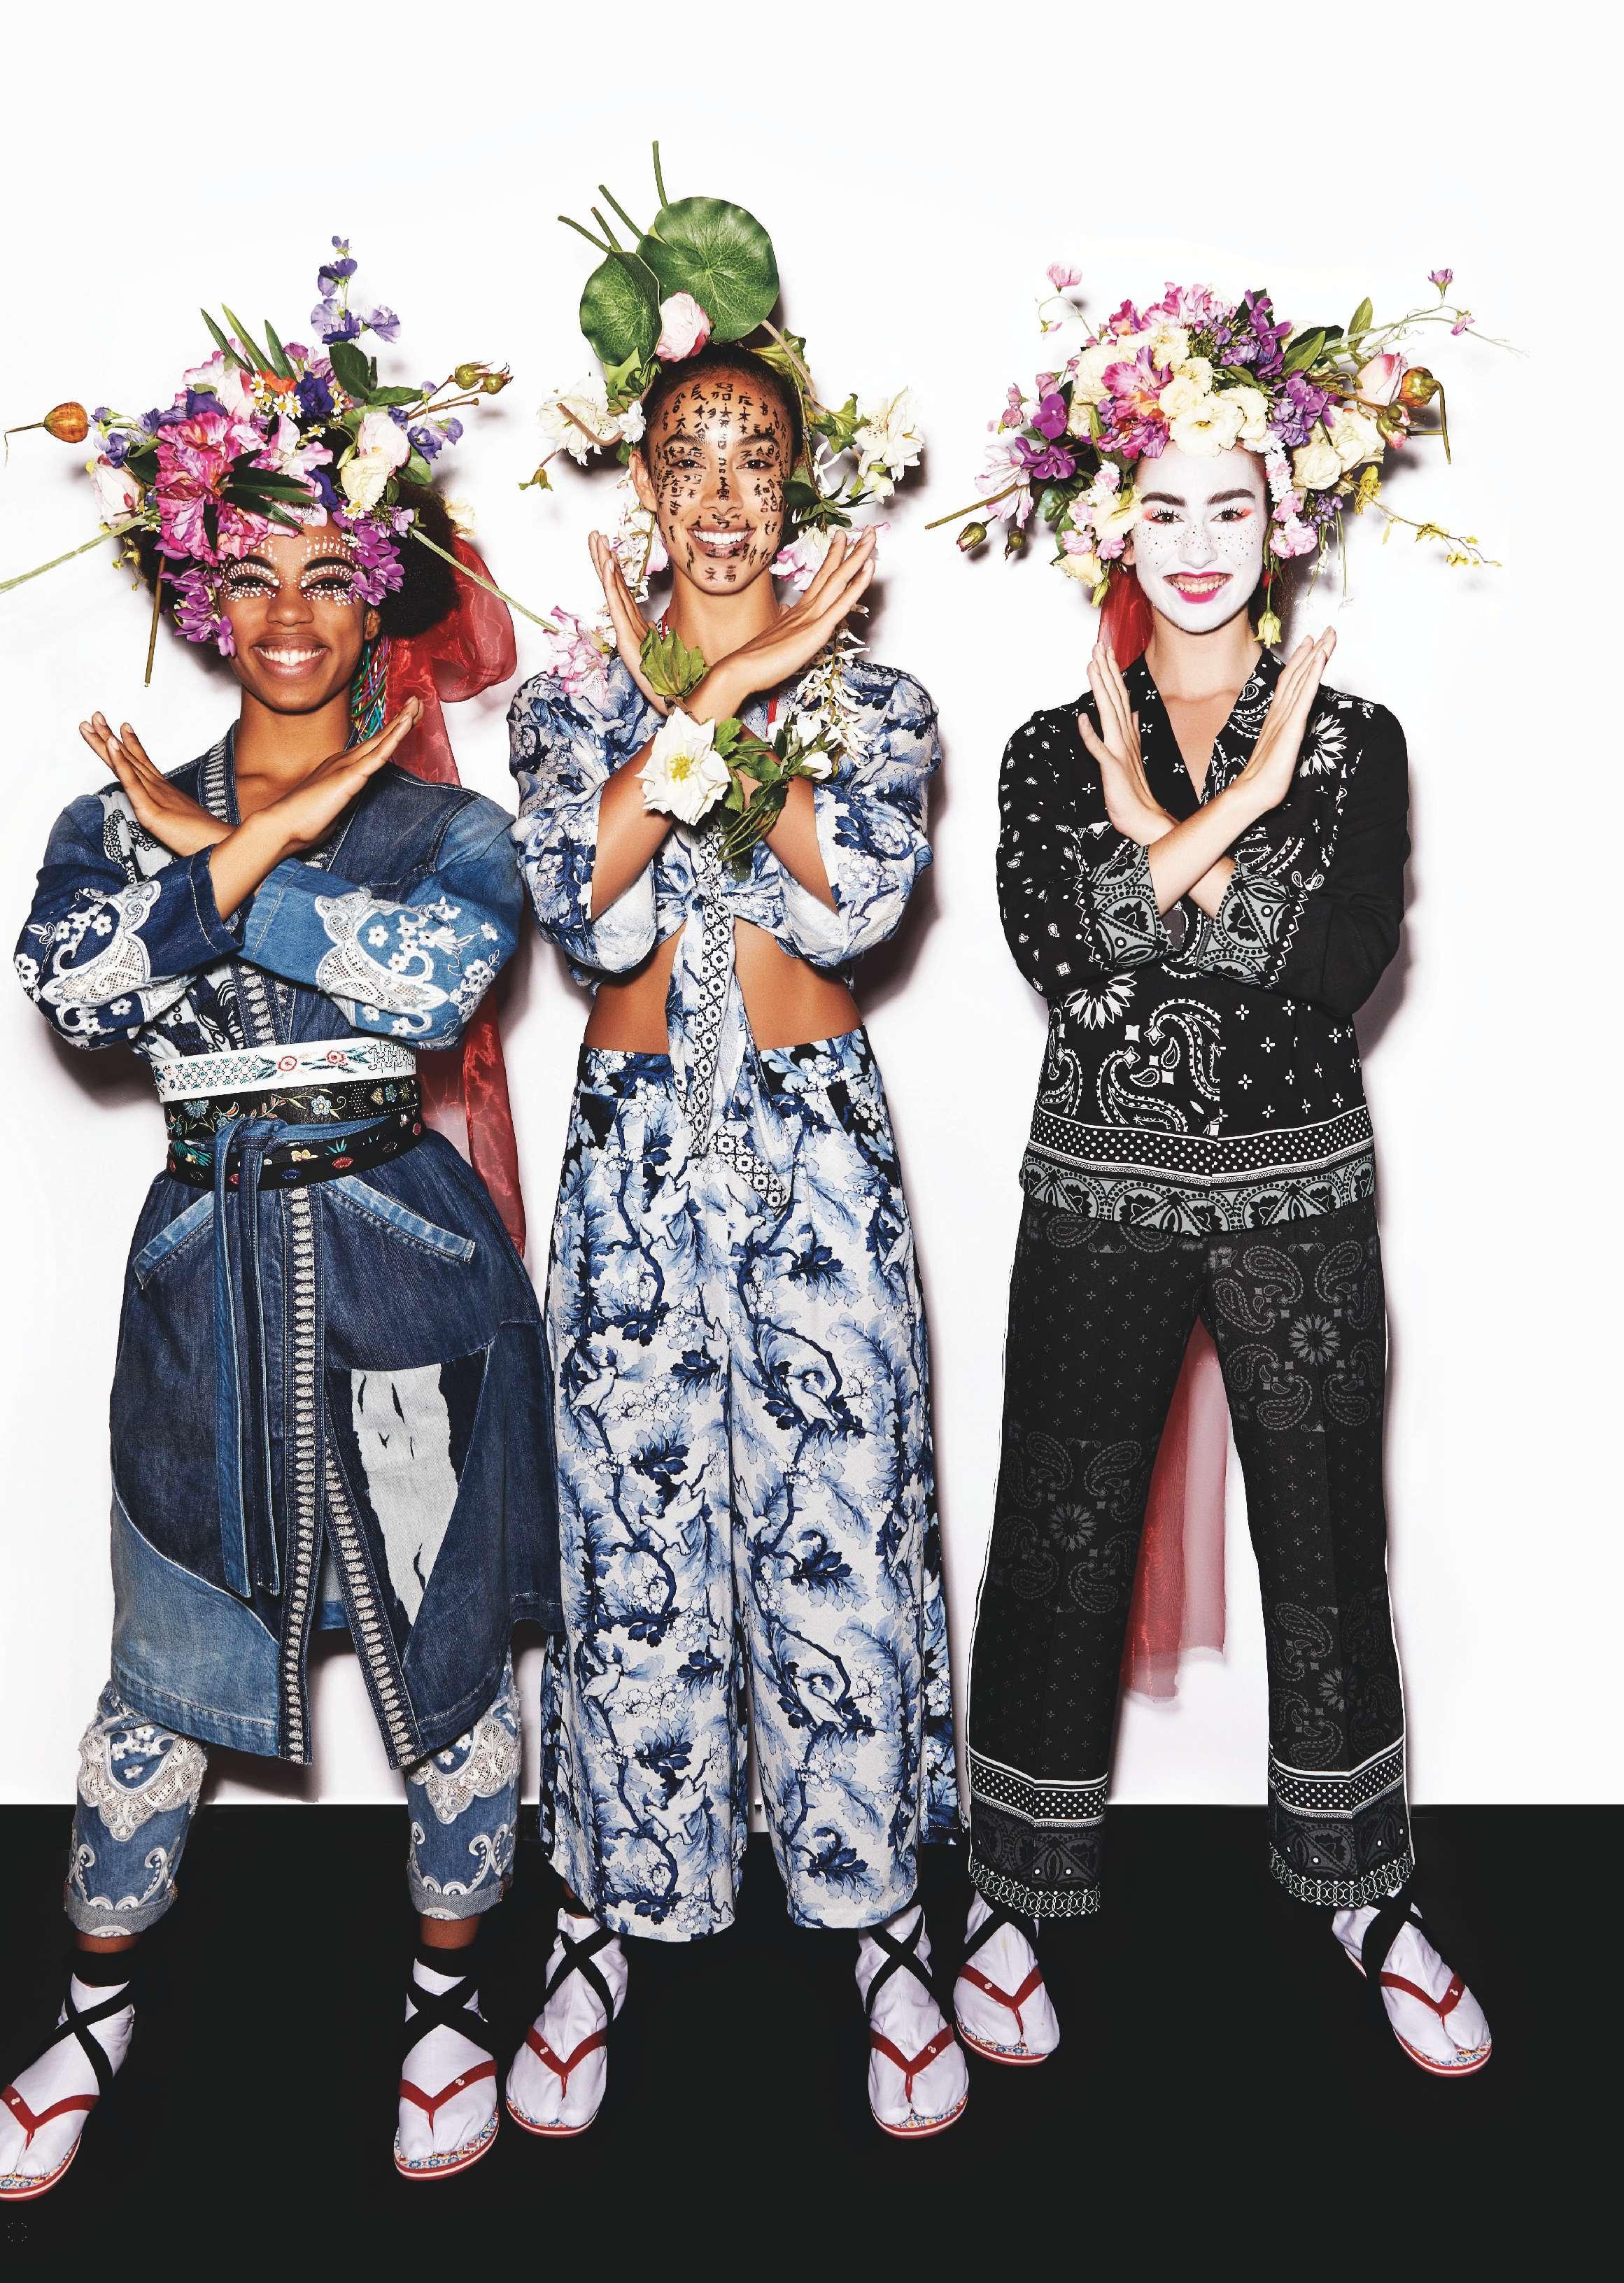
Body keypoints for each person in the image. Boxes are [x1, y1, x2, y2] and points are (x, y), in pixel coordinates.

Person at [0, 250, 560, 2198]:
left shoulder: (456, 830)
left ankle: (447, 1999)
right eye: (254, 575)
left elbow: (428, 985)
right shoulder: (100, 817)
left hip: (411, 1273)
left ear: (380, 593)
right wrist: (257, 846)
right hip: (200, 1279)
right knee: (160, 1674)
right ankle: (90, 2008)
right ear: (200, 596)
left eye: (330, 574)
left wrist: (224, 867)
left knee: (445, 1668)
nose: (291, 612)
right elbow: (76, 992)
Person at [942, 273, 1493, 2078]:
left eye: (1231, 508)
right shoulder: (1048, 751)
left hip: (1297, 1199)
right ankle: (1012, 1891)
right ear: (1116, 520)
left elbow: (1326, 967)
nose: (1195, 546)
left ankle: (1366, 1889)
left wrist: (1173, 839)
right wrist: (1240, 815)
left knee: (1329, 1546)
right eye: (1162, 507)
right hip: (1094, 1199)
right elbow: (1069, 958)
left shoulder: (1360, 738)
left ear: (1285, 523)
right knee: (1057, 1536)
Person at [504, 155, 963, 2137]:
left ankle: (883, 1921)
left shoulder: (888, 701)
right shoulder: (563, 709)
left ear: (798, 488)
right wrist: (701, 699)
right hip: (631, 1150)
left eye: (752, 461)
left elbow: (853, 897)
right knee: (629, 1538)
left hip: (811, 1149)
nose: (716, 495)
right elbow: (582, 900)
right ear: (643, 481)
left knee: (840, 1519)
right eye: (684, 459)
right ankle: (608, 1917)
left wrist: (744, 689)